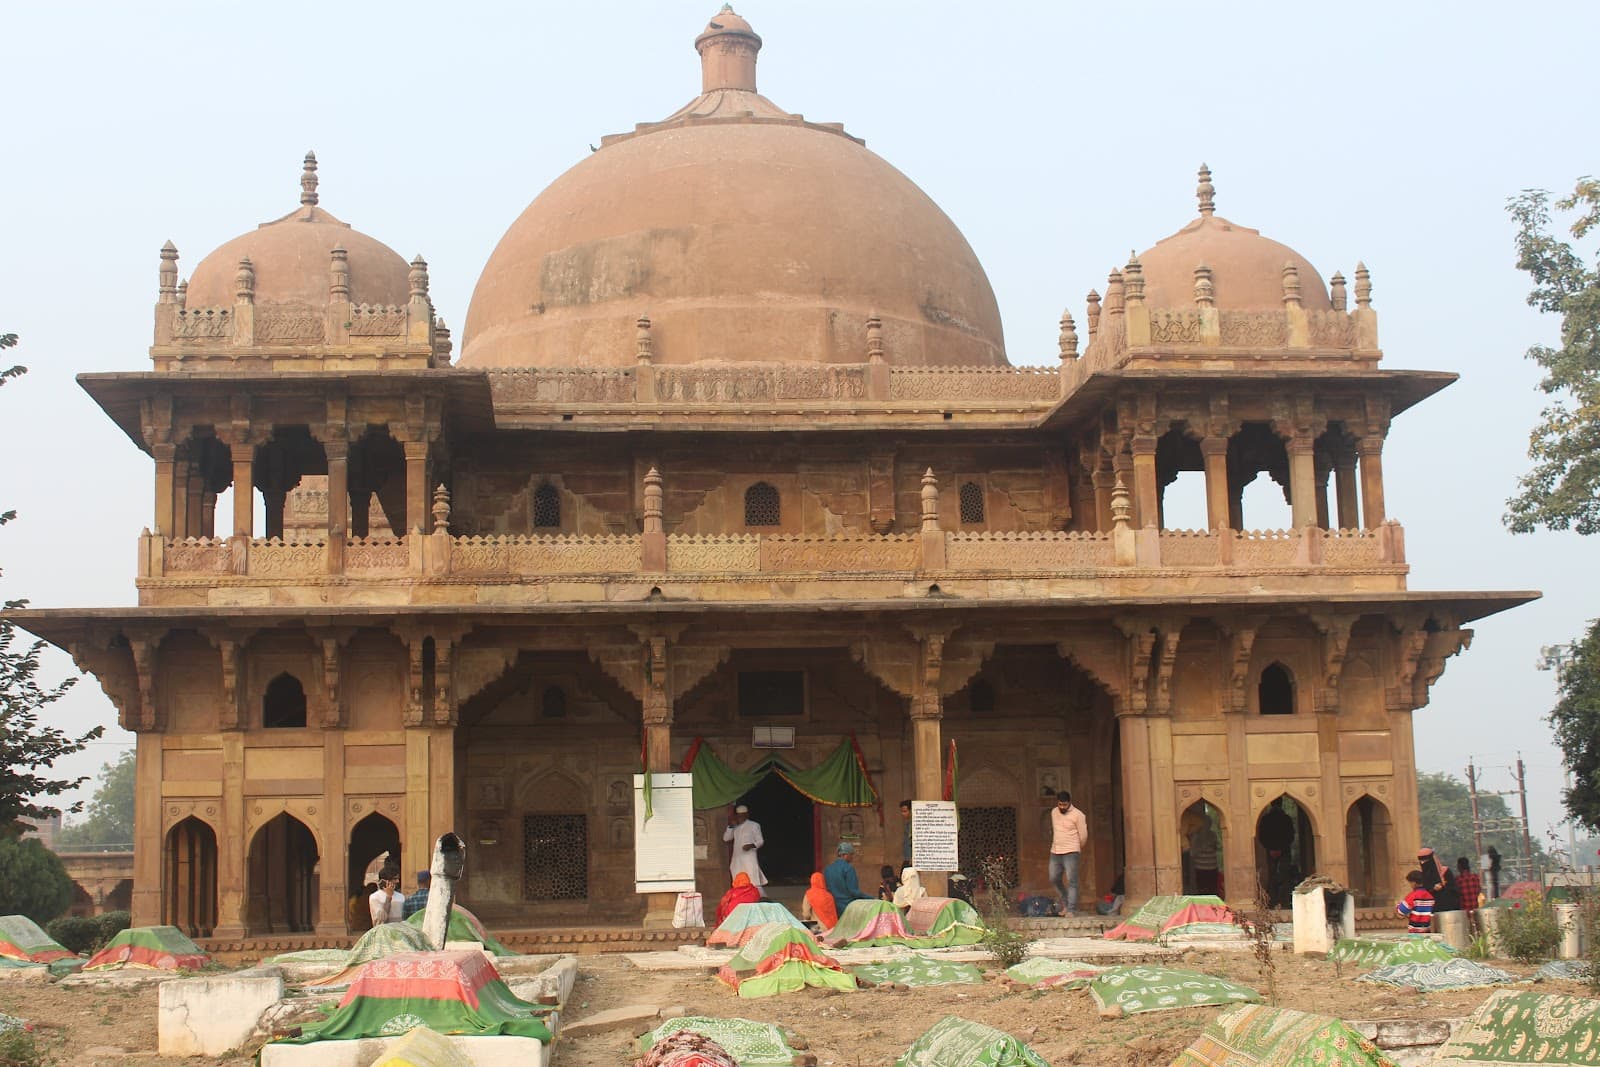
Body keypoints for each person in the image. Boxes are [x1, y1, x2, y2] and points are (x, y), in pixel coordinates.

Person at [1049, 790, 1088, 915]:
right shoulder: (1054, 812)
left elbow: (1083, 836)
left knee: (1072, 880)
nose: (1062, 807)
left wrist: (1076, 847)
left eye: (1064, 805)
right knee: (1054, 878)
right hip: (1055, 851)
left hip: (1071, 851)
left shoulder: (1078, 815)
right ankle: (1065, 901)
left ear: (1069, 803)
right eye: (1060, 804)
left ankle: (1071, 909)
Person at [722, 805, 767, 892]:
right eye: (739, 816)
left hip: (749, 859)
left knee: (753, 879)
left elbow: (760, 841)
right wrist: (731, 827)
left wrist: (751, 845)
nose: (740, 818)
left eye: (742, 815)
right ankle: (741, 899)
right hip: (737, 859)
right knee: (738, 879)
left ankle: (756, 899)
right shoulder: (735, 827)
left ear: (747, 815)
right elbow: (726, 838)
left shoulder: (754, 825)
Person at [824, 842, 872, 916]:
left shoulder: (828, 869)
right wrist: (871, 898)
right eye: (851, 854)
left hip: (833, 907)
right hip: (847, 907)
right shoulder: (848, 868)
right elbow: (854, 891)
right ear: (845, 855)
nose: (852, 857)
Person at [1189, 817, 1220, 895]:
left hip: (1212, 867)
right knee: (1202, 890)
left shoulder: (1212, 834)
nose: (1207, 825)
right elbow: (1192, 852)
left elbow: (1215, 848)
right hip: (1201, 868)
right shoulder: (1196, 835)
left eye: (1209, 823)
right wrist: (1202, 846)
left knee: (1212, 890)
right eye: (1206, 823)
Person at [1397, 870, 1434, 935]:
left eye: (1410, 883)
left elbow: (1401, 911)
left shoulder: (1413, 896)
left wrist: (1398, 905)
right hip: (1428, 930)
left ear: (1414, 883)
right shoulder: (1431, 895)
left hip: (1415, 932)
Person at [1456, 856, 1483, 928]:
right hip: (1475, 911)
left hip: (1464, 913)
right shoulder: (1475, 877)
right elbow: (1479, 891)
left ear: (1459, 867)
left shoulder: (1458, 880)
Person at [900, 799, 914, 869]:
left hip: (911, 859)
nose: (903, 814)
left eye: (905, 811)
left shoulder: (914, 824)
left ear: (911, 811)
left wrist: (912, 857)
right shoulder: (908, 824)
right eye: (902, 811)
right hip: (907, 858)